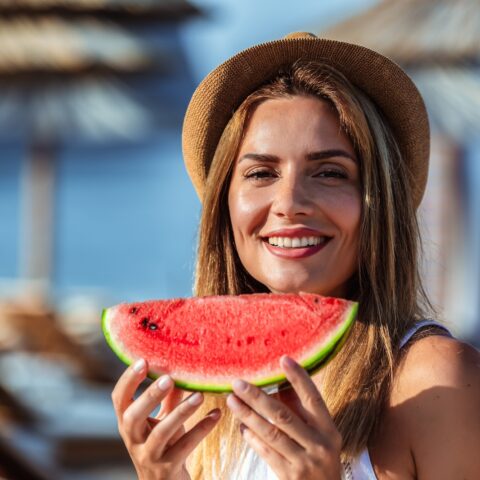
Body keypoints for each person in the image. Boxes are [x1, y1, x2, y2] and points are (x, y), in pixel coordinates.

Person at [111, 33, 480, 479]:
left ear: (378, 202)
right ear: (224, 206)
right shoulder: (201, 404)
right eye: (261, 173)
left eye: (329, 172)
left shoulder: (439, 381)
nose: (289, 202)